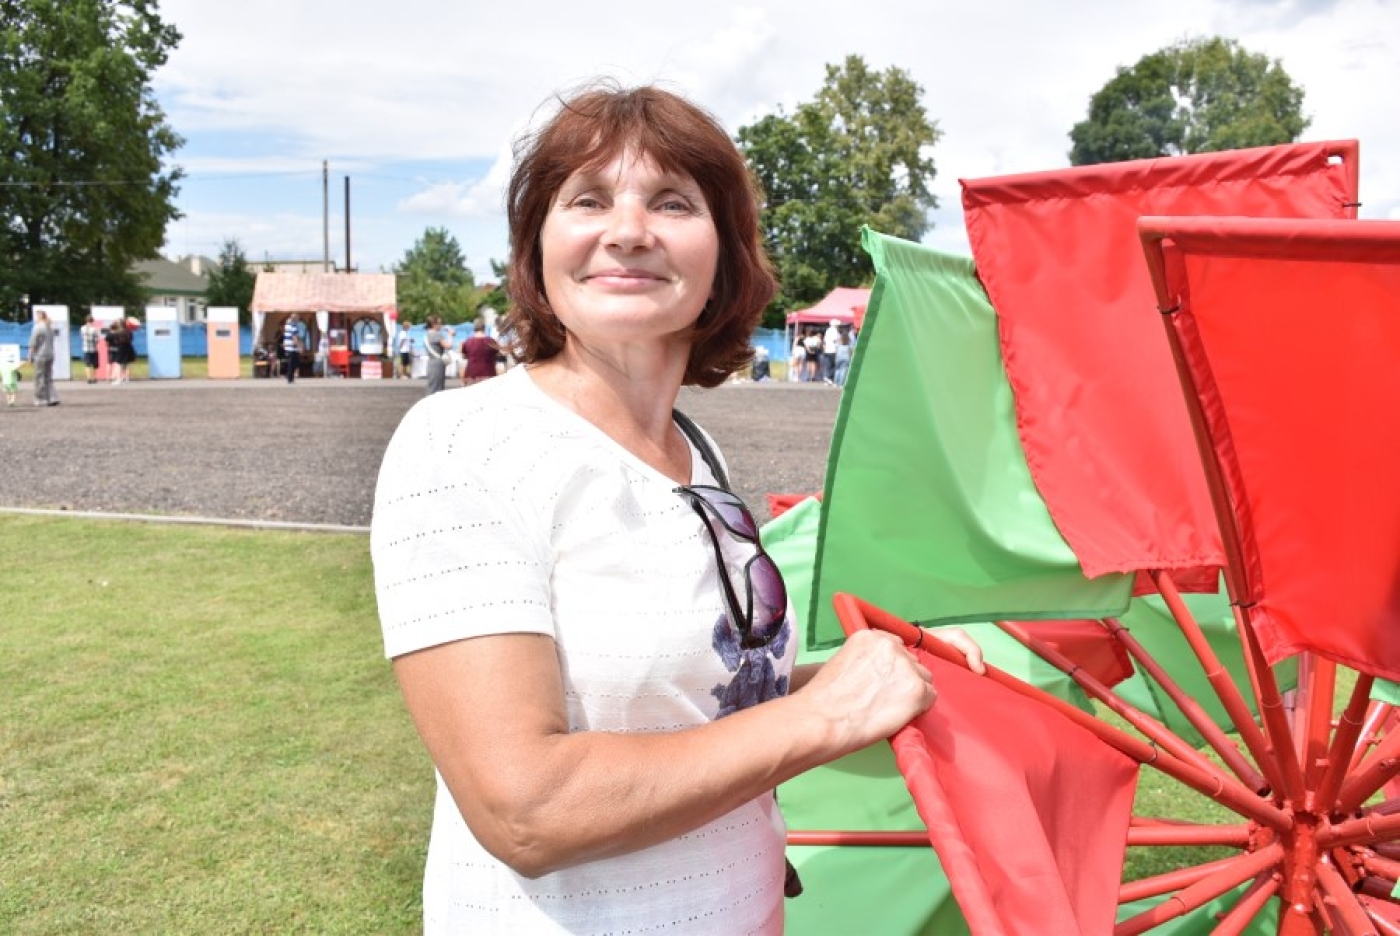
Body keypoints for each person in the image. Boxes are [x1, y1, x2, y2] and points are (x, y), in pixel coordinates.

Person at [370, 83, 984, 934]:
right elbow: (527, 810)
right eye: (588, 200)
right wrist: (825, 712)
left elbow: (703, 703)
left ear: (725, 258)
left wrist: (867, 678)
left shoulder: (696, 451)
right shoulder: (465, 442)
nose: (628, 231)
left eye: (672, 203)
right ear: (536, 249)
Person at [27, 309, 59, 406]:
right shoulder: (50, 328)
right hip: (50, 354)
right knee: (48, 377)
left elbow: (33, 343)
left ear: (39, 317)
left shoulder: (37, 328)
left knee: (39, 377)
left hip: (40, 355)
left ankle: (41, 399)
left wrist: (30, 357)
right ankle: (52, 397)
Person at [459, 317, 499, 385]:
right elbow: (497, 355)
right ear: (484, 327)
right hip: (488, 373)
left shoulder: (468, 342)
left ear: (474, 328)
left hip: (472, 373)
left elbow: (464, 356)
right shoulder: (491, 341)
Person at [421, 315, 450, 395]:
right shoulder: (437, 335)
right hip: (438, 362)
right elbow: (448, 346)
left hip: (431, 361)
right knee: (438, 386)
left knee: (432, 385)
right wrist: (450, 335)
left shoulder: (427, 335)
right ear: (434, 324)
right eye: (439, 323)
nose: (441, 325)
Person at [105, 318, 131, 385]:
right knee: (126, 364)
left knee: (116, 364)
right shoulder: (128, 331)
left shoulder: (116, 333)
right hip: (126, 349)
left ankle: (114, 378)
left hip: (116, 350)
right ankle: (126, 378)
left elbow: (108, 342)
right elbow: (130, 340)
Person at [282, 314, 303, 383]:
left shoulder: (287, 326)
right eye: (298, 319)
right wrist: (299, 347)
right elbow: (294, 338)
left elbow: (286, 336)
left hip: (287, 346)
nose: (298, 320)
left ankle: (290, 377)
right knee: (293, 363)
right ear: (295, 319)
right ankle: (290, 378)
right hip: (292, 347)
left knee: (291, 363)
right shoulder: (293, 326)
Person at [80, 314, 101, 383]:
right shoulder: (95, 329)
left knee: (87, 364)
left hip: (86, 348)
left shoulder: (82, 328)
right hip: (94, 349)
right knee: (95, 365)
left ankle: (89, 378)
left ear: (86, 320)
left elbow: (82, 337)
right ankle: (94, 378)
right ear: (92, 321)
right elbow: (97, 339)